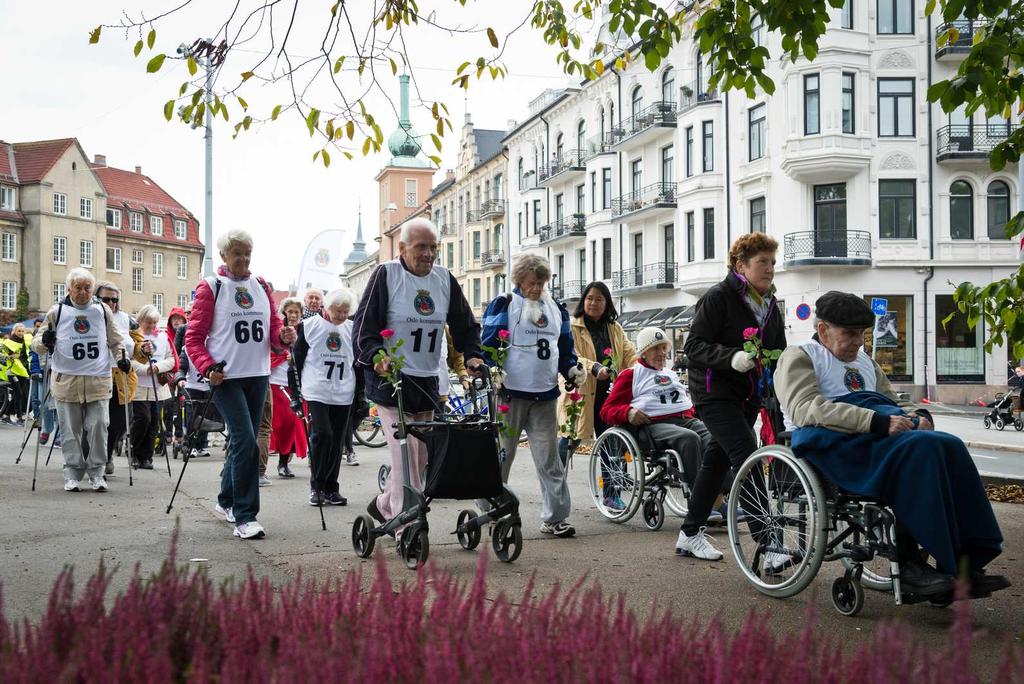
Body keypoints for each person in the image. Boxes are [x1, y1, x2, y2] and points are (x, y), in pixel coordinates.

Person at [776, 291, 1009, 599]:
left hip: (872, 436)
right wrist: (875, 421)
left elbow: (893, 400)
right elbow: (805, 409)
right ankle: (911, 568)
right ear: (823, 330)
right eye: (850, 333)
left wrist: (918, 415)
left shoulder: (866, 363)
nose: (859, 341)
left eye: (862, 333)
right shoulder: (800, 356)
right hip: (833, 442)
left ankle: (962, 563)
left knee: (947, 445)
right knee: (919, 451)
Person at [353, 218, 485, 541]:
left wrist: (471, 354)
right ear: (402, 248)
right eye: (421, 247)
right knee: (405, 459)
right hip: (391, 383)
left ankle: (386, 503)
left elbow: (466, 324)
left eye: (433, 248)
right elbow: (363, 329)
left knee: (423, 456)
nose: (428, 255)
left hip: (426, 382)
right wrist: (375, 356)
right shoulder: (386, 275)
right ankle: (405, 526)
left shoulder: (444, 280)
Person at [676, 233, 787, 561]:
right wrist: (731, 357)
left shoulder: (769, 304)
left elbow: (777, 350)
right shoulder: (719, 297)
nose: (769, 269)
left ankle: (689, 533)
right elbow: (693, 346)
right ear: (741, 265)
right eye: (762, 262)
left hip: (748, 395)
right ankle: (768, 545)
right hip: (713, 391)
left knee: (716, 461)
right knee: (745, 454)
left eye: (772, 263)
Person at [185, 229, 295, 540]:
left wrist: (282, 338)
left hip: (258, 374)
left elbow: (273, 328)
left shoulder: (260, 285)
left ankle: (225, 500)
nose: (244, 259)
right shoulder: (211, 287)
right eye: (237, 254)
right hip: (226, 377)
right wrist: (207, 369)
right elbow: (193, 340)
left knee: (239, 442)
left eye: (248, 253)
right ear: (223, 256)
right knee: (246, 441)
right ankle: (246, 516)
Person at [481, 254, 585, 538]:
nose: (536, 289)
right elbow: (488, 344)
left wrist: (571, 370)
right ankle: (492, 510)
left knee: (549, 458)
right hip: (511, 395)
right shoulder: (505, 304)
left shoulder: (556, 309)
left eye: (541, 283)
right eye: (531, 283)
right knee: (503, 456)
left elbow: (565, 349)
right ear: (519, 281)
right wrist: (492, 370)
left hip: (545, 394)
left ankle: (555, 517)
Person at [33, 268, 129, 492]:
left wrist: (122, 358)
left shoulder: (102, 310)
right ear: (69, 289)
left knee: (98, 425)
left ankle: (97, 472)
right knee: (71, 429)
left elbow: (116, 340)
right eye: (78, 288)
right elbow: (37, 343)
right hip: (67, 380)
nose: (83, 292)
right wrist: (44, 340)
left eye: (87, 288)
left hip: (97, 379)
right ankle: (73, 473)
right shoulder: (57, 312)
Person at [600, 327, 710, 498]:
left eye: (664, 348)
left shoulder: (670, 373)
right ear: (643, 352)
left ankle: (720, 496)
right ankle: (701, 502)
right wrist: (628, 413)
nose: (662, 353)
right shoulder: (631, 375)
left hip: (684, 420)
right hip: (652, 426)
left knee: (714, 439)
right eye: (655, 348)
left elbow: (683, 401)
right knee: (689, 439)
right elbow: (607, 411)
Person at [557, 281, 637, 474]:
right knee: (570, 440)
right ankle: (554, 486)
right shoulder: (572, 325)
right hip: (580, 391)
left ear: (607, 303)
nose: (593, 303)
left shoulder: (614, 328)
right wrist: (595, 368)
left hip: (609, 395)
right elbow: (572, 355)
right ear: (583, 301)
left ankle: (611, 493)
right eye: (590, 298)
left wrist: (640, 368)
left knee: (612, 441)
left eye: (599, 299)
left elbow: (629, 353)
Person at [290, 288, 359, 505]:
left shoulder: (352, 329)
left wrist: (362, 396)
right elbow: (296, 362)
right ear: (327, 308)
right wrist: (295, 394)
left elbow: (357, 363)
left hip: (343, 391)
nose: (341, 316)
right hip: (316, 389)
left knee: (337, 441)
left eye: (345, 311)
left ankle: (331, 487)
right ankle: (316, 486)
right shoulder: (310, 327)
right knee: (323, 435)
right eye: (337, 311)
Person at [95, 282, 146, 475]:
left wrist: (145, 349)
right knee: (96, 421)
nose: (111, 303)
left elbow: (139, 351)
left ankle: (106, 455)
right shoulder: (90, 316)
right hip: (96, 375)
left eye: (115, 299)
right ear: (97, 299)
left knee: (119, 423)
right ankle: (92, 458)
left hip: (121, 377)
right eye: (106, 299)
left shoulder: (128, 320)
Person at [130, 305, 176, 470]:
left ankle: (147, 456)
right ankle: (135, 452)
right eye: (148, 322)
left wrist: (158, 367)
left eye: (154, 322)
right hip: (140, 385)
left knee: (154, 422)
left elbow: (171, 359)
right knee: (143, 419)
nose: (152, 326)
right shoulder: (134, 336)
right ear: (141, 320)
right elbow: (128, 358)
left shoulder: (163, 337)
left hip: (158, 386)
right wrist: (144, 369)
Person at [270, 297, 306, 478]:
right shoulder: (277, 331)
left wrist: (297, 357)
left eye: (296, 312)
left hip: (295, 384)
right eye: (290, 311)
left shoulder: (305, 331)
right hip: (275, 381)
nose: (293, 315)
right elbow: (270, 351)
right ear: (284, 312)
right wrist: (284, 354)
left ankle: (283, 463)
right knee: (274, 425)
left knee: (292, 424)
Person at [164, 307, 188, 449]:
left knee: (181, 404)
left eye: (179, 319)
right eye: (174, 319)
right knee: (168, 404)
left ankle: (179, 433)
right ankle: (167, 432)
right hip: (167, 373)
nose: (177, 321)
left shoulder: (184, 331)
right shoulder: (165, 335)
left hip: (180, 372)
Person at [2, 323, 32, 425]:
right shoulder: (7, 342)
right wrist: (9, 357)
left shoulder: (26, 341)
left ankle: (6, 415)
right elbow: (3, 354)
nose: (21, 333)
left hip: (23, 371)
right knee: (18, 394)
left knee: (18, 394)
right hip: (12, 371)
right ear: (14, 331)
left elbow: (26, 355)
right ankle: (19, 417)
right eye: (19, 331)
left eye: (22, 331)